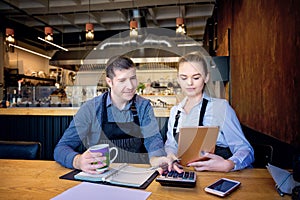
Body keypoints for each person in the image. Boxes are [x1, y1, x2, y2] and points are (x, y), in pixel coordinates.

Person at [54, 55, 172, 174]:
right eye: (122, 81)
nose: (130, 86)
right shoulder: (90, 109)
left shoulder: (143, 106)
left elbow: (153, 140)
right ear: (109, 81)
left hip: (135, 175)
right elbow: (61, 148)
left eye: (133, 78)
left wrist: (157, 159)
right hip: (100, 176)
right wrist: (78, 161)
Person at [165, 52, 254, 172]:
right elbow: (171, 145)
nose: (189, 83)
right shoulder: (175, 112)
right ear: (178, 79)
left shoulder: (220, 107)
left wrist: (229, 164)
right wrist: (170, 156)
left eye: (196, 77)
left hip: (218, 175)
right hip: (187, 173)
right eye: (184, 78)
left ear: (206, 77)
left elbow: (246, 150)